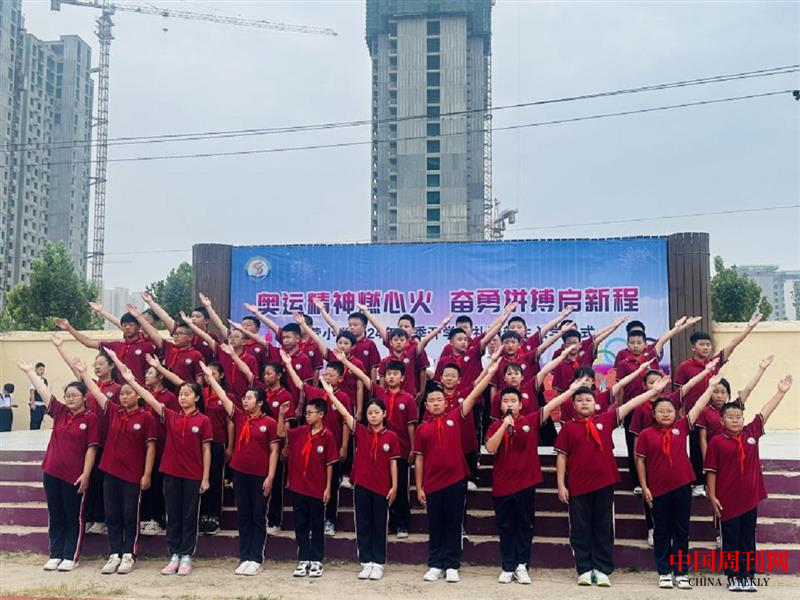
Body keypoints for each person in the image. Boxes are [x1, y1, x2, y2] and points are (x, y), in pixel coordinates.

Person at [555, 375, 671, 587]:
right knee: (580, 528)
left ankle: (602, 569)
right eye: (579, 400)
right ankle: (584, 568)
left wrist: (653, 392)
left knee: (604, 527)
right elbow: (561, 457)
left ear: (596, 403)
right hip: (578, 486)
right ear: (573, 405)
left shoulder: (606, 420)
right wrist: (561, 485)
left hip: (604, 483)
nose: (584, 403)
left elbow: (630, 404)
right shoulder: (568, 428)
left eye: (588, 400)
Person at [107, 349, 211, 577]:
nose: (182, 397)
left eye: (187, 394)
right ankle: (174, 554)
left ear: (196, 398)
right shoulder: (171, 416)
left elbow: (206, 449)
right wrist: (131, 380)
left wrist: (205, 478)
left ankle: (186, 555)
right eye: (180, 394)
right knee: (173, 514)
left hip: (193, 475)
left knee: (189, 516)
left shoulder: (203, 421)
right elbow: (150, 398)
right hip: (171, 472)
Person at [485, 379, 584, 584]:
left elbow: (552, 404)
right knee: (505, 526)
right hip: (502, 484)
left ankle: (522, 565)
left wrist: (571, 390)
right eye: (506, 401)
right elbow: (491, 448)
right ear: (500, 406)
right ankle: (507, 566)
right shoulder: (495, 425)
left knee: (524, 525)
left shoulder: (530, 420)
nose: (510, 404)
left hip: (525, 482)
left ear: (521, 404)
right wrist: (504, 425)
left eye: (513, 401)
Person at [705, 375, 793, 592]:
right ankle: (733, 576)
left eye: (738, 417)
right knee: (731, 540)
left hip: (750, 499)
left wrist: (781, 392)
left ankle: (748, 576)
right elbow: (711, 472)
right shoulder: (717, 441)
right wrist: (712, 496)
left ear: (743, 419)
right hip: (727, 501)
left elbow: (765, 412)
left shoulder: (751, 433)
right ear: (722, 420)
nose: (735, 420)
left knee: (747, 540)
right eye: (730, 417)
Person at [72, 357, 157, 575]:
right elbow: (96, 392)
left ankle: (129, 554)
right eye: (122, 394)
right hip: (110, 471)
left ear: (138, 395)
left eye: (129, 393)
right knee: (112, 514)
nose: (124, 396)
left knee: (130, 514)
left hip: (133, 475)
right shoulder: (114, 411)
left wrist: (147, 474)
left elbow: (150, 447)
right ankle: (114, 553)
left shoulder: (146, 417)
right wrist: (83, 372)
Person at [635, 375, 720, 590]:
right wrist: (644, 487)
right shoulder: (646, 435)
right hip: (658, 489)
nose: (666, 414)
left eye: (669, 411)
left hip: (682, 486)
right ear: (654, 414)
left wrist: (710, 387)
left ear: (676, 413)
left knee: (681, 530)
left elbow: (698, 405)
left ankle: (681, 572)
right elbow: (640, 461)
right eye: (661, 411)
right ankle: (664, 572)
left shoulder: (682, 427)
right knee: (662, 531)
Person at [416, 362, 497, 583]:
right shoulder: (422, 428)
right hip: (432, 483)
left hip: (454, 481)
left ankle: (452, 564)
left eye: (439, 400)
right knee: (435, 524)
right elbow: (419, 458)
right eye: (431, 400)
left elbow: (473, 395)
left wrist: (489, 374)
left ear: (445, 402)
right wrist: (420, 486)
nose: (435, 403)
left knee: (453, 523)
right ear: (426, 405)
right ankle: (435, 564)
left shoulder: (455, 417)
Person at [16, 360, 99, 572]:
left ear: (85, 398)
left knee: (73, 515)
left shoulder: (91, 418)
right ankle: (55, 554)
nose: (70, 399)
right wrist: (30, 373)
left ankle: (71, 555)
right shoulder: (60, 412)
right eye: (67, 395)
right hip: (51, 471)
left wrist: (86, 474)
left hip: (74, 476)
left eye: (74, 395)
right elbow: (45, 393)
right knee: (56, 514)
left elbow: (91, 448)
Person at [200, 363, 280, 576]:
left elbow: (274, 451)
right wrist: (211, 378)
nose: (245, 401)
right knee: (243, 516)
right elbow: (223, 397)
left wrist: (271, 476)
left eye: (250, 398)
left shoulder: (269, 423)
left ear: (260, 402)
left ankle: (256, 558)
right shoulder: (240, 416)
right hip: (240, 472)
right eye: (244, 398)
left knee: (257, 516)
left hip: (260, 475)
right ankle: (245, 556)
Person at [674, 313, 762, 496]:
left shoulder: (714, 364)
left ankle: (717, 480)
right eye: (702, 344)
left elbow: (732, 345)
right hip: (694, 415)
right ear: (693, 347)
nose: (706, 347)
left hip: (715, 414)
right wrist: (681, 412)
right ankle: (698, 483)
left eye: (708, 344)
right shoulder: (684, 367)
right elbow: (679, 392)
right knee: (696, 448)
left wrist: (749, 327)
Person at [615, 317, 702, 496]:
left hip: (655, 408)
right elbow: (620, 387)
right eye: (632, 343)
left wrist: (679, 327)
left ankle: (659, 478)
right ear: (627, 344)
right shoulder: (624, 363)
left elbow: (664, 339)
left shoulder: (650, 356)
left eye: (639, 342)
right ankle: (638, 482)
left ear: (645, 344)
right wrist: (620, 408)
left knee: (657, 443)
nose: (636, 346)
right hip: (633, 409)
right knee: (634, 445)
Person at [321, 379, 399, 580]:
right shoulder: (361, 431)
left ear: (384, 414)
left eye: (376, 412)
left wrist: (394, 486)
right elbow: (345, 414)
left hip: (382, 487)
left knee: (379, 524)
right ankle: (366, 562)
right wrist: (331, 395)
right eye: (370, 413)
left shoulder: (391, 437)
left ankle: (378, 563)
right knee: (363, 523)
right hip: (362, 485)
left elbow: (393, 463)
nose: (373, 416)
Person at [337, 353, 417, 539]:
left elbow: (411, 426)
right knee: (382, 488)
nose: (391, 377)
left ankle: (402, 524)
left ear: (403, 377)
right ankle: (386, 524)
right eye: (388, 374)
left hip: (401, 450)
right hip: (378, 449)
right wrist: (345, 361)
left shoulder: (408, 399)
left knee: (400, 489)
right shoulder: (380, 394)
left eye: (395, 374)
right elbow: (363, 377)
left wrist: (413, 447)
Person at [280, 349, 349, 537]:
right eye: (325, 374)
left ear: (340, 379)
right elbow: (298, 383)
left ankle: (330, 519)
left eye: (331, 375)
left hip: (331, 447)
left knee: (331, 485)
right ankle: (312, 521)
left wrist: (344, 446)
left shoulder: (343, 397)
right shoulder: (315, 392)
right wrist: (288, 364)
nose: (327, 378)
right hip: (311, 448)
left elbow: (345, 422)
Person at [277, 396, 337, 579]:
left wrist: (328, 488)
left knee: (317, 525)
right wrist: (281, 415)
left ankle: (317, 560)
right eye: (306, 412)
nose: (307, 415)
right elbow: (281, 433)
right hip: (298, 486)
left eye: (310, 412)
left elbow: (330, 464)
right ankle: (303, 559)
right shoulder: (301, 431)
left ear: (321, 414)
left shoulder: (327, 436)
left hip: (317, 488)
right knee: (301, 524)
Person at [54, 314, 156, 385]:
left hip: (140, 393)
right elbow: (88, 342)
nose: (127, 327)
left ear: (139, 326)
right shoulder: (116, 346)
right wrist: (69, 328)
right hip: (119, 393)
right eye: (124, 325)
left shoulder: (147, 346)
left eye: (131, 325)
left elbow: (151, 371)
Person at [125, 304, 205, 386]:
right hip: (167, 390)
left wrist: (193, 391)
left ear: (190, 337)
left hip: (185, 391)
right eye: (175, 334)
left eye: (180, 334)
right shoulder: (169, 347)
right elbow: (153, 334)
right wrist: (138, 317)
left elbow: (199, 380)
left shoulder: (196, 355)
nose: (176, 337)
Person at [139, 292, 219, 363]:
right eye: (192, 316)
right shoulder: (183, 330)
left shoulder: (212, 338)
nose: (193, 319)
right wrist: (150, 302)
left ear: (206, 320)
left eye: (197, 316)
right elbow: (166, 318)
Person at [28, 362, 47, 429]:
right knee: (34, 423)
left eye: (43, 370)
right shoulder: (34, 379)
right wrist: (33, 404)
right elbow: (32, 391)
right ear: (36, 370)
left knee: (40, 421)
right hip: (36, 404)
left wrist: (46, 404)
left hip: (42, 405)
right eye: (40, 369)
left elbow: (45, 392)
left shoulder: (44, 380)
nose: (42, 371)